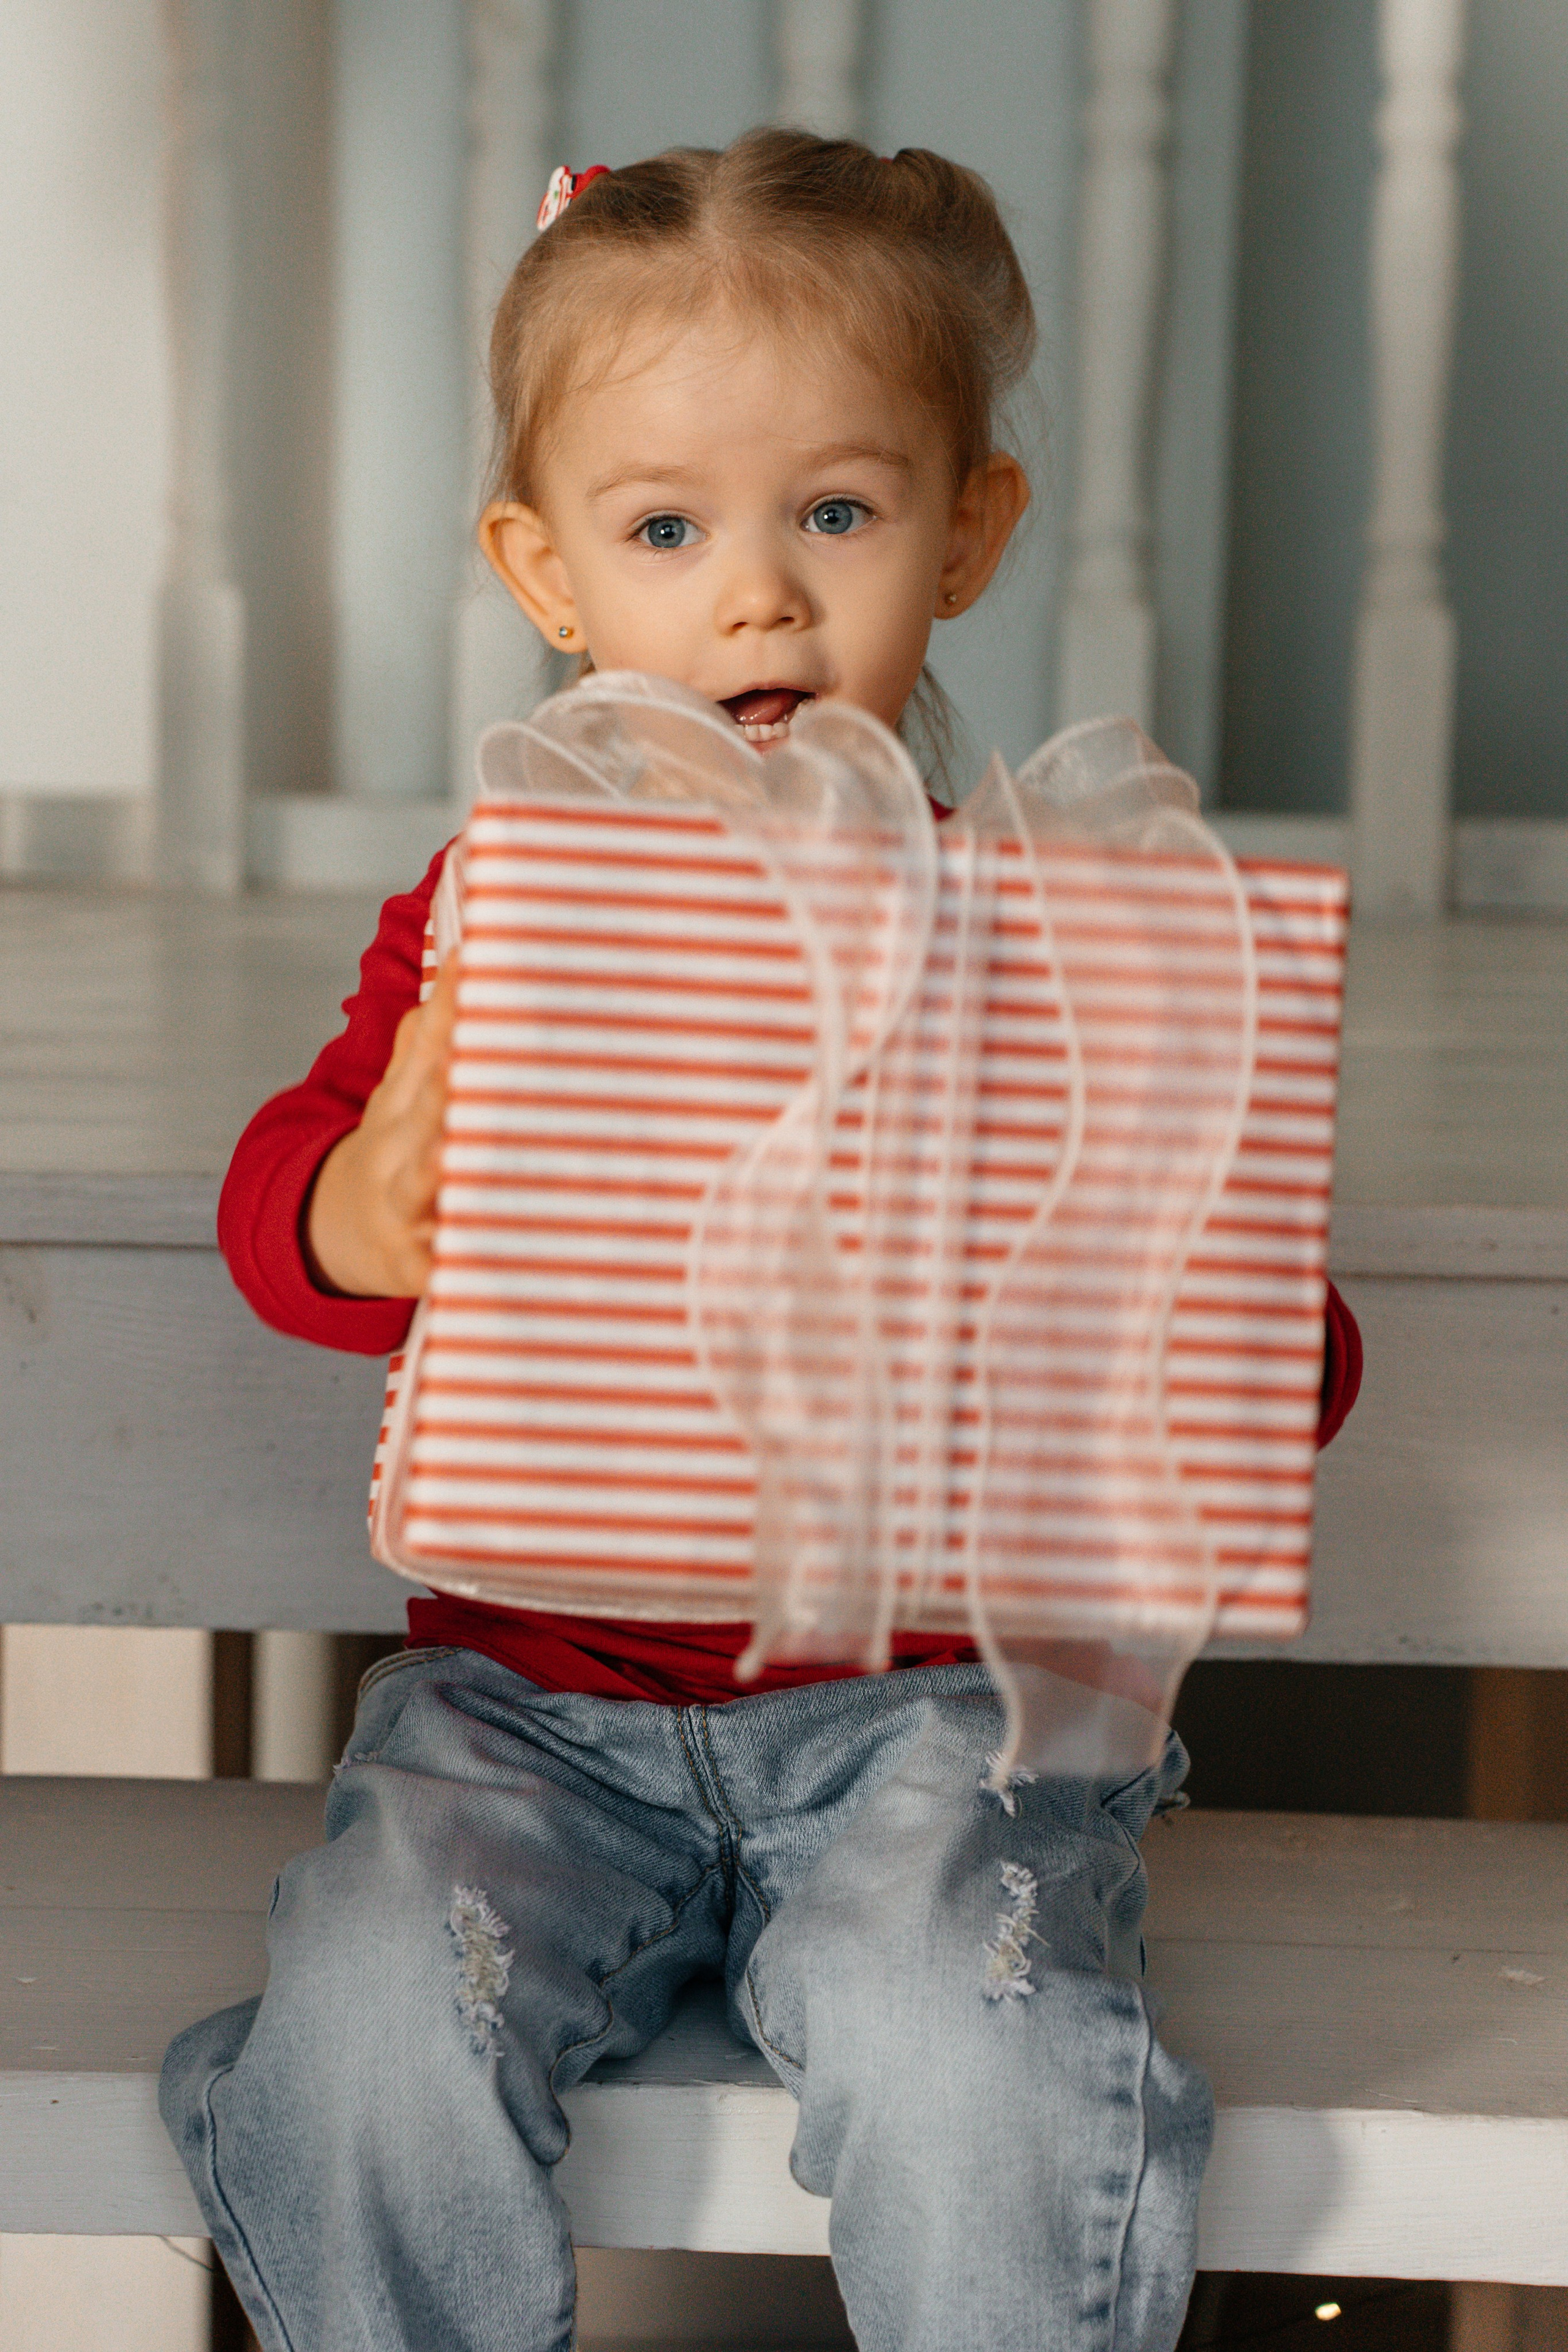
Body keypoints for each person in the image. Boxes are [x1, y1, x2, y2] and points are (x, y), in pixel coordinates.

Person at [161, 130, 1362, 2352]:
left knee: (973, 2044)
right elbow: (282, 1215)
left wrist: (1176, 1275)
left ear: (968, 530)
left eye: (836, 513)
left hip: (936, 1718)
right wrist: (364, 1199)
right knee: (372, 2023)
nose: (758, 600)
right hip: (528, 1713)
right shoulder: (500, 909)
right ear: (544, 571)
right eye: (664, 530)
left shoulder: (1057, 926)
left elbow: (1290, 1370)